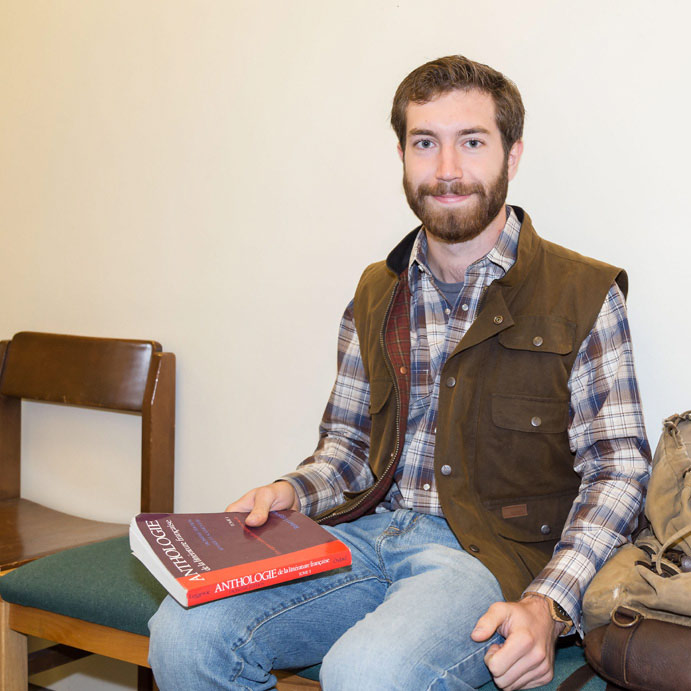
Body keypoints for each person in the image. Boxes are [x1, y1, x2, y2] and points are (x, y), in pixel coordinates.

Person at [149, 55, 651, 690]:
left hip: (485, 563)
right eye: (425, 143)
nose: (446, 170)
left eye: (471, 142)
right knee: (185, 633)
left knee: (367, 674)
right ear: (402, 155)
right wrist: (291, 494)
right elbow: (349, 450)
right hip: (363, 538)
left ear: (512, 155)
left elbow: (619, 473)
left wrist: (548, 605)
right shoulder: (376, 289)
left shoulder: (583, 292)